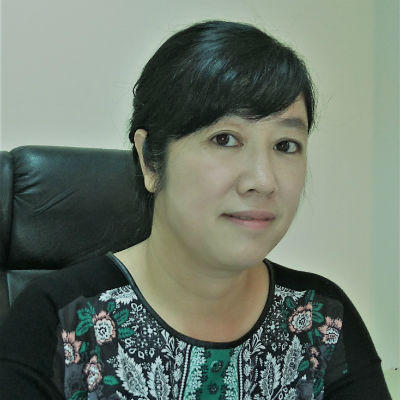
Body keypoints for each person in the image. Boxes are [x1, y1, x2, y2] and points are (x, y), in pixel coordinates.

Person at [0, 20, 392, 400]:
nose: (263, 180)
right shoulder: (59, 320)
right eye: (225, 139)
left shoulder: (321, 319)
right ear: (151, 160)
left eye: (285, 145)